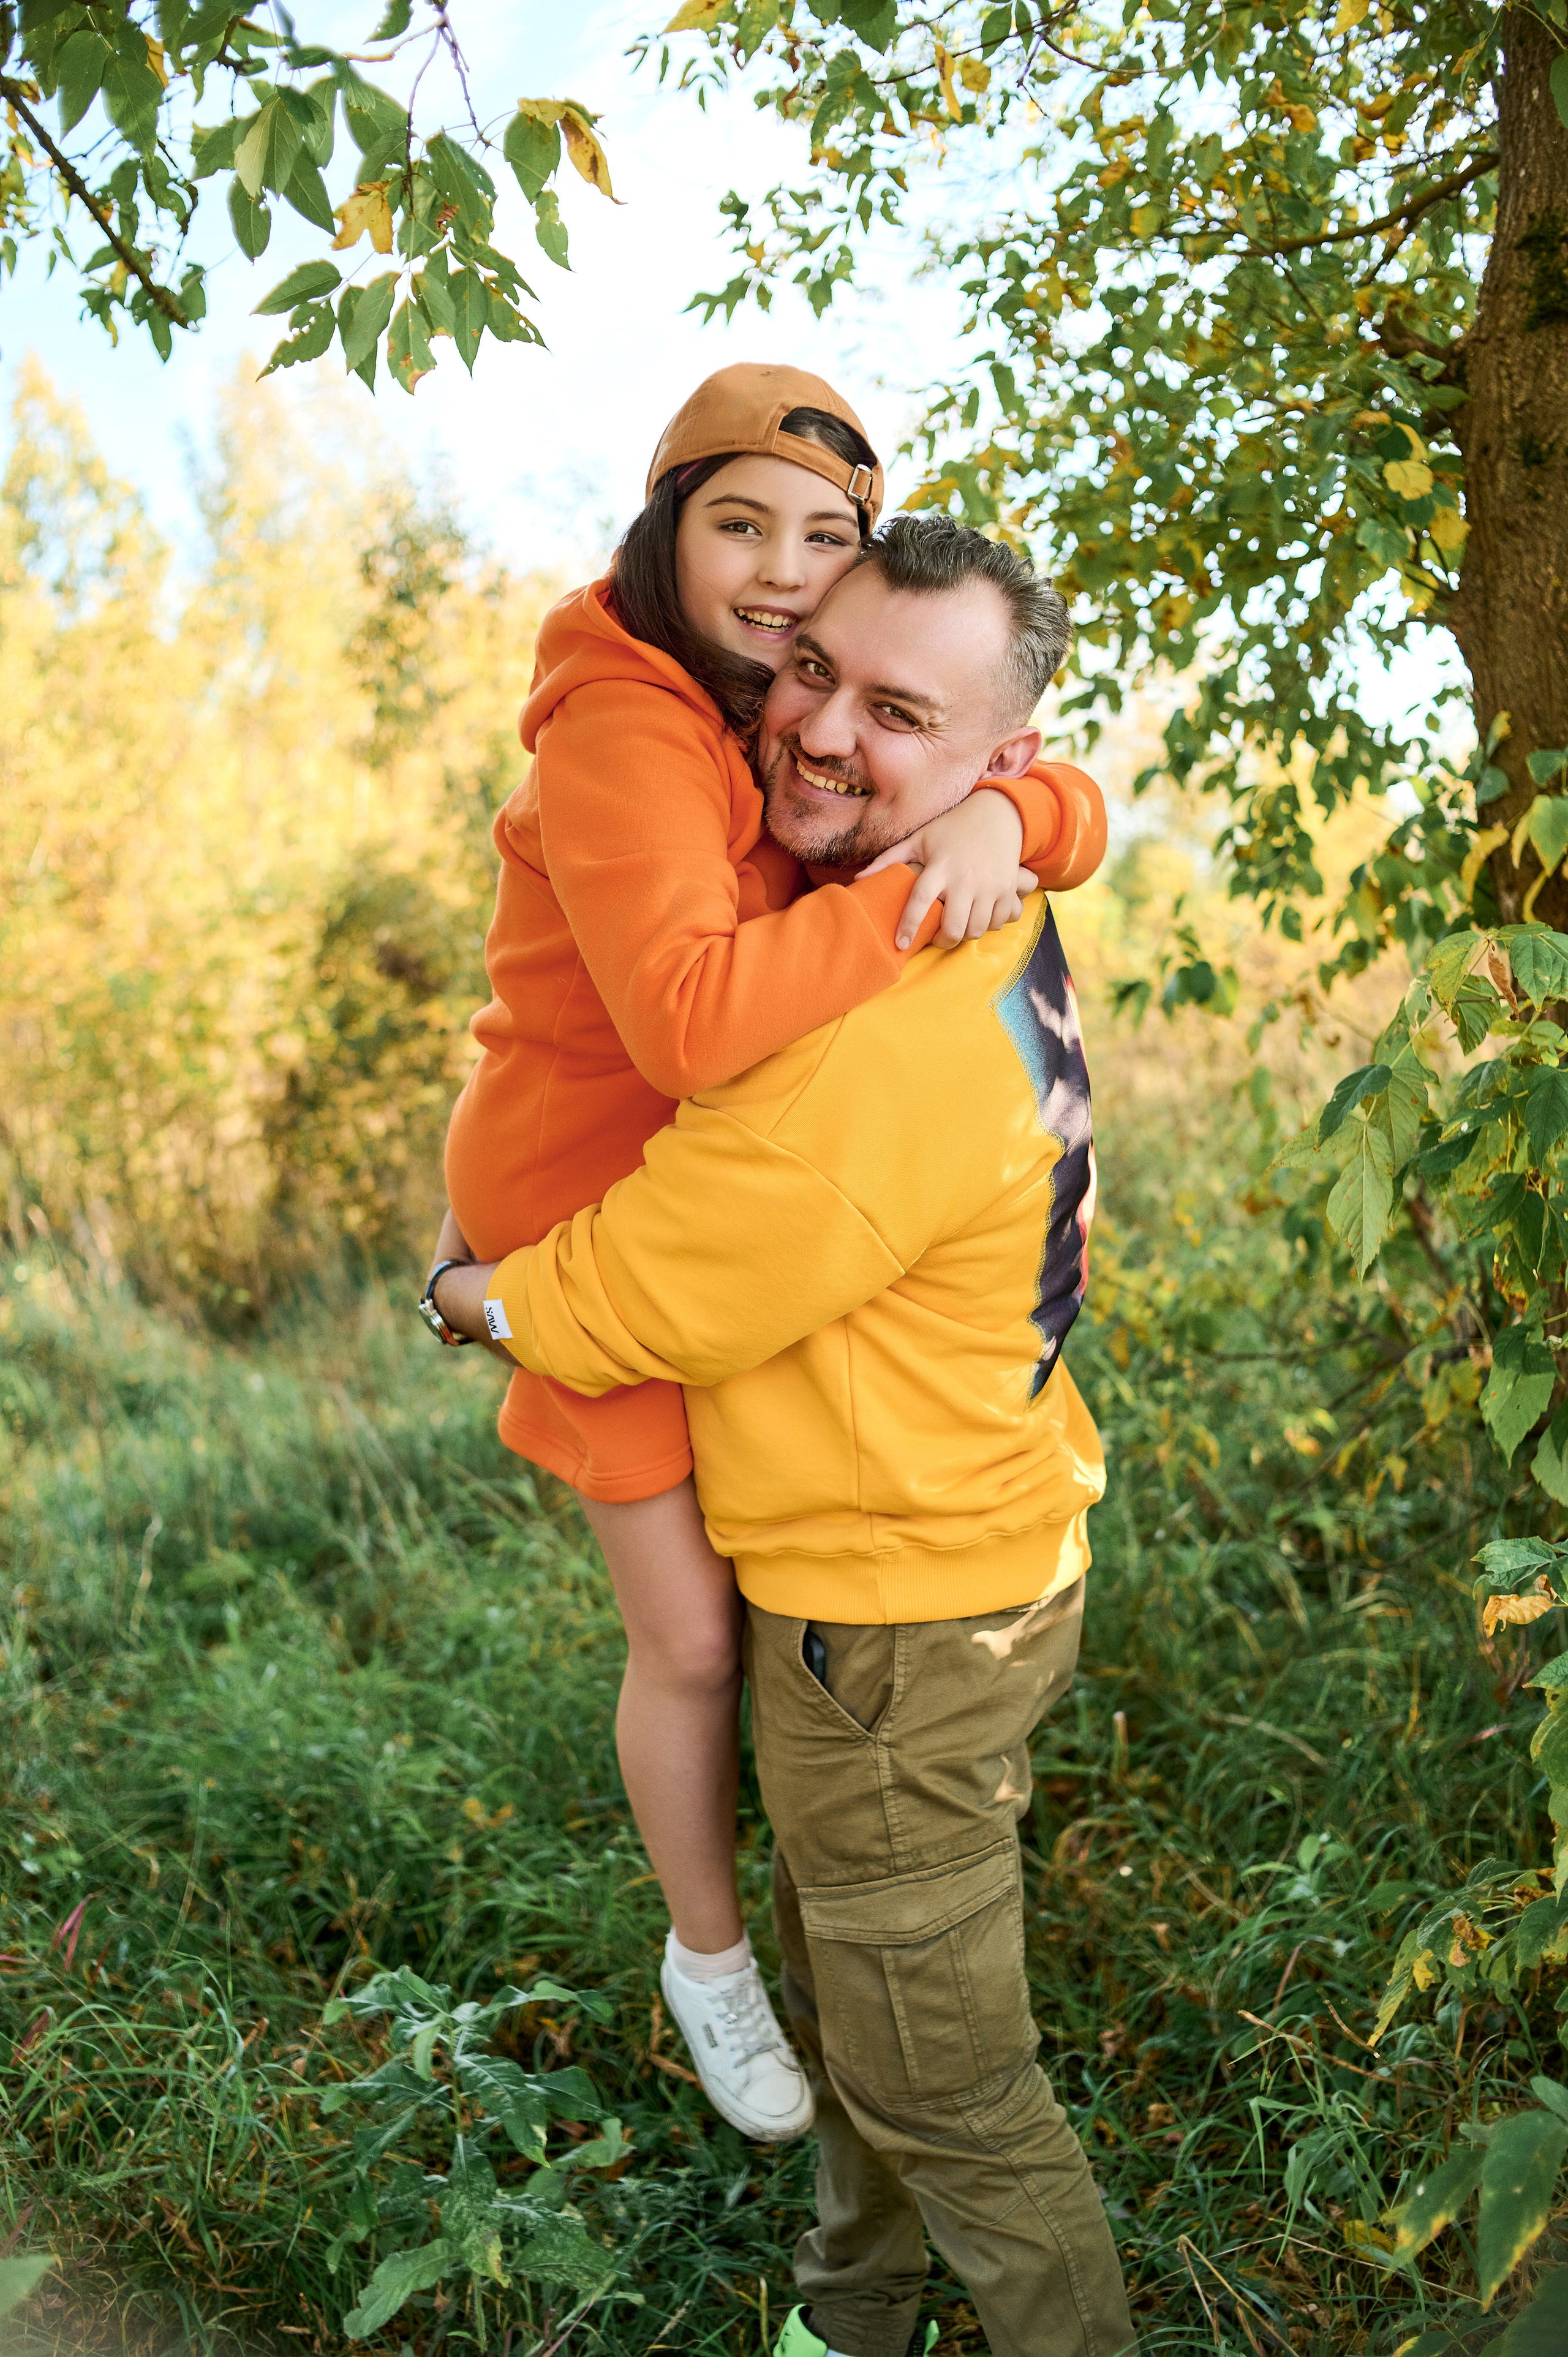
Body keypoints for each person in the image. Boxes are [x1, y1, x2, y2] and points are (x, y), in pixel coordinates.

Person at [432, 515, 1137, 2357]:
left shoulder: (873, 1018)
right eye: (810, 668)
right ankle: (851, 2316)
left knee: (954, 2095)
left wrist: (465, 1291)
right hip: (977, 1551)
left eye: (897, 711)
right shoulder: (960, 901)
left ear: (996, 760)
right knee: (871, 1996)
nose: (822, 729)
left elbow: (648, 1291)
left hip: (895, 1621)